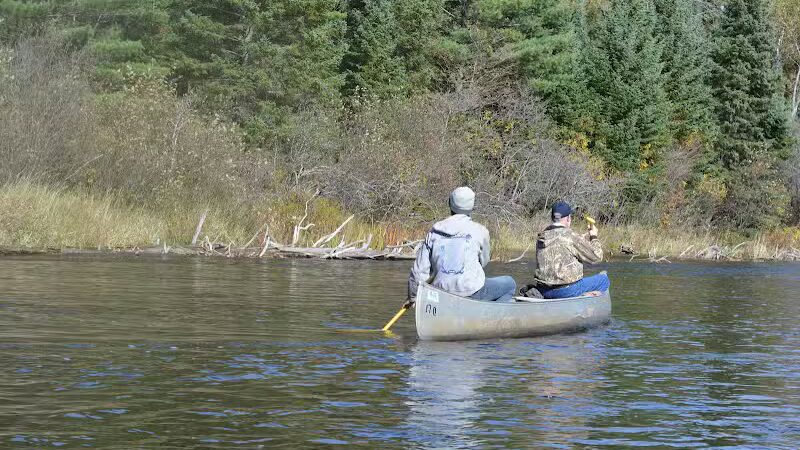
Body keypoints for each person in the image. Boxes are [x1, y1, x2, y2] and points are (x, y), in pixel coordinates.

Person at [408, 187, 517, 302]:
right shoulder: (480, 231)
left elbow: (419, 271)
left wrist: (414, 296)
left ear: (449, 203)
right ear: (472, 206)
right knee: (510, 283)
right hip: (471, 291)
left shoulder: (434, 231)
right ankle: (491, 315)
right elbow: (483, 262)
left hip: (440, 293)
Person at [533, 201, 610, 299]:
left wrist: (582, 238)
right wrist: (593, 236)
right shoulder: (571, 237)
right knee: (603, 279)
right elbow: (597, 257)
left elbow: (560, 242)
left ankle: (582, 296)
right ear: (568, 218)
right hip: (566, 291)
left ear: (552, 218)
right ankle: (588, 306)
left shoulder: (542, 236)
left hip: (543, 290)